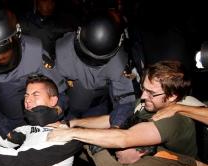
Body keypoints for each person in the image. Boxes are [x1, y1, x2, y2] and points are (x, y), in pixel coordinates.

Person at [47, 60, 197, 158]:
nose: (143, 96)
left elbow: (124, 138)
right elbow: (110, 119)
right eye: (143, 88)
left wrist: (71, 133)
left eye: (151, 93)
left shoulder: (174, 120)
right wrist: (72, 123)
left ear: (172, 96)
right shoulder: (150, 103)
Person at [0, 6, 67, 139]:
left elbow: (60, 92)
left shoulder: (34, 52)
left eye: (5, 51)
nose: (0, 58)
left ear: (17, 38)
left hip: (44, 114)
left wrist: (56, 111)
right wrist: (6, 132)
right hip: (8, 120)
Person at [54, 10, 136, 126]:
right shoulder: (63, 51)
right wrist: (56, 109)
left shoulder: (119, 62)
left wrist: (116, 125)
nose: (92, 62)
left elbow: (125, 101)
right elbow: (54, 89)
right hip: (67, 107)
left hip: (97, 109)